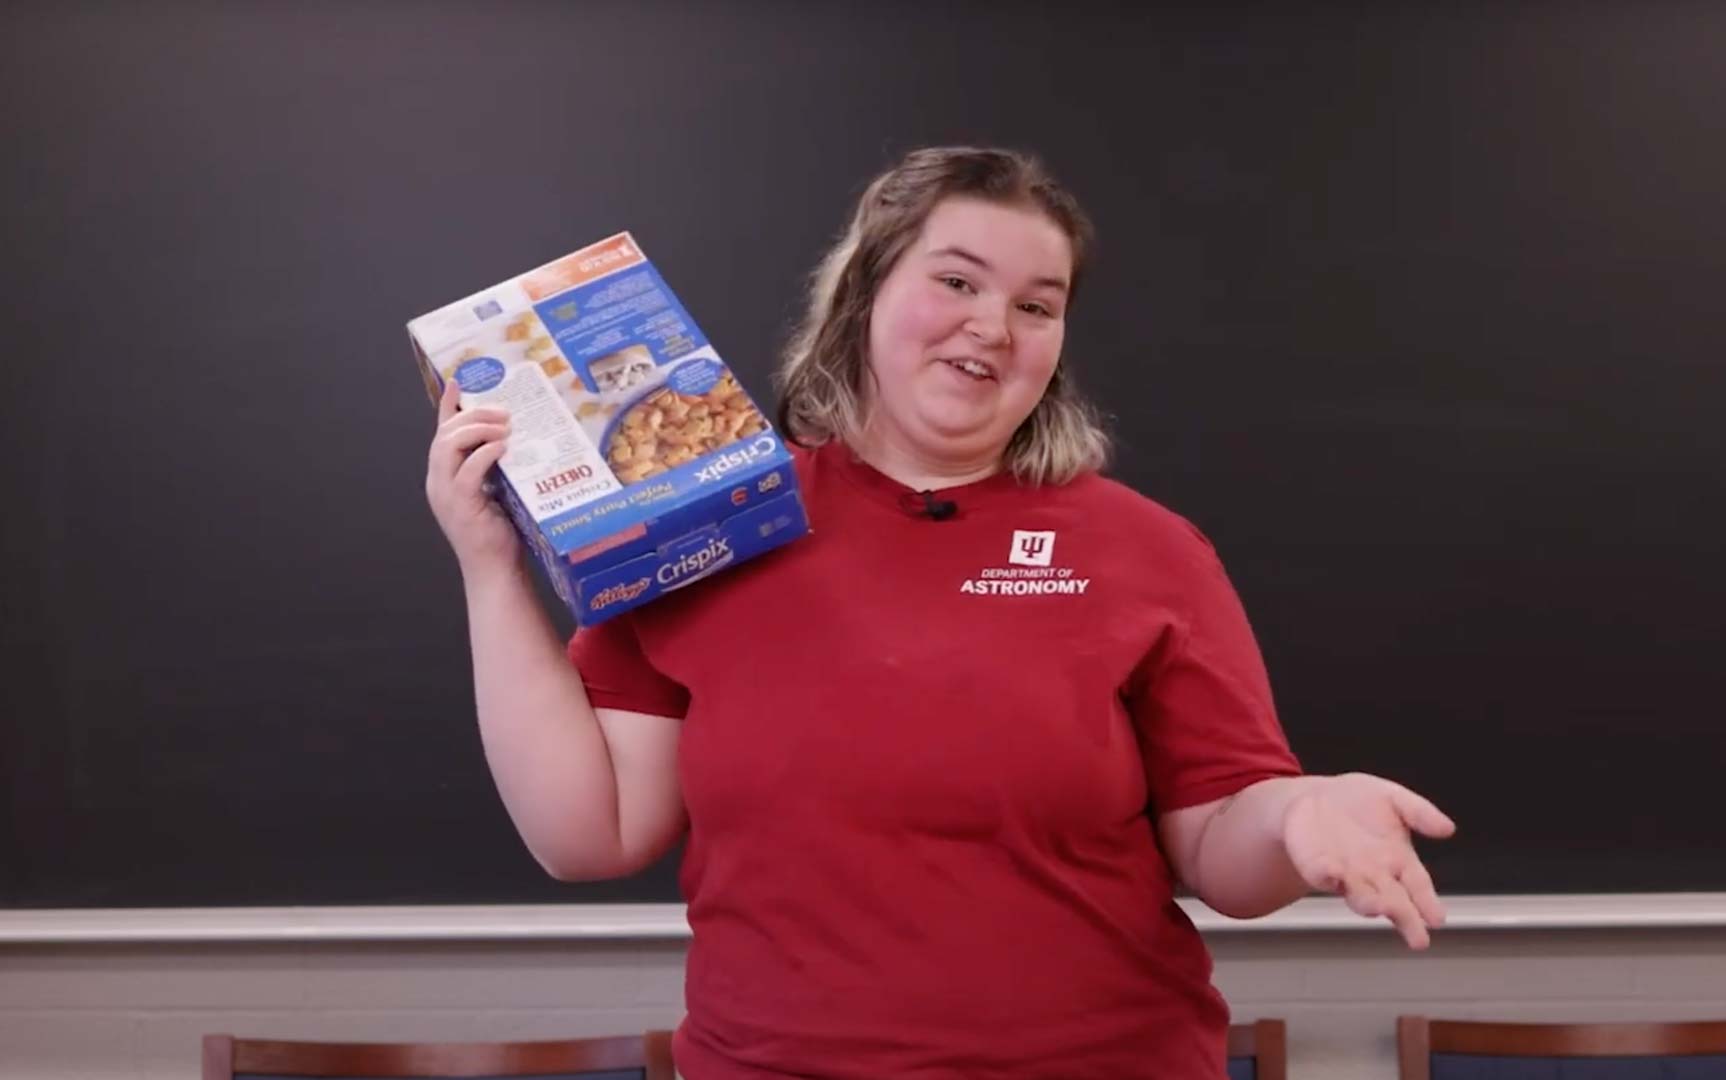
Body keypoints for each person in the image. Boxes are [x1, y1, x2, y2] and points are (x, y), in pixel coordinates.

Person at [425, 146, 1454, 1079]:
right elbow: (589, 834)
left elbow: (1222, 850)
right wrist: (488, 567)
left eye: (1037, 306)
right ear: (866, 293)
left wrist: (1297, 812)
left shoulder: (1147, 552)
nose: (991, 327)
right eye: (956, 281)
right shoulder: (708, 521)